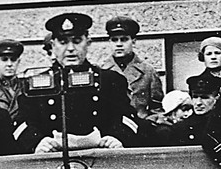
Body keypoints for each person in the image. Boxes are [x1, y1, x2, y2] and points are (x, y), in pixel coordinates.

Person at [15, 13, 138, 153]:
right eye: (63, 42)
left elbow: (128, 117)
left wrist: (116, 137)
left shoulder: (110, 80)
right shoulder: (37, 83)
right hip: (52, 156)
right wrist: (37, 142)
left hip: (100, 155)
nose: (70, 48)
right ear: (53, 45)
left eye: (77, 41)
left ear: (88, 43)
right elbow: (21, 124)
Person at [98, 17, 163, 118]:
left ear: (133, 41)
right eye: (114, 40)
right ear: (109, 42)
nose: (119, 44)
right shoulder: (101, 71)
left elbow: (157, 109)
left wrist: (146, 124)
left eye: (124, 39)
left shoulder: (148, 71)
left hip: (140, 124)